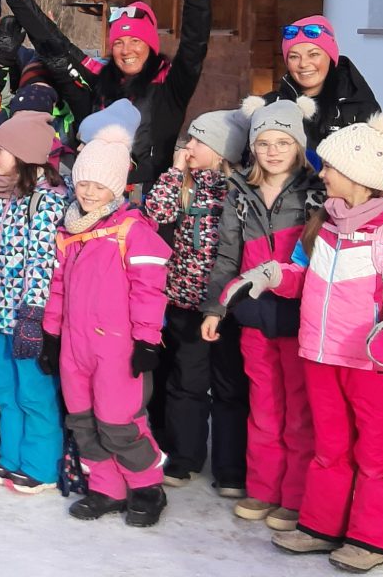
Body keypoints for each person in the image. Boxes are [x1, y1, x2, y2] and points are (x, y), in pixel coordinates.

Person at [230, 113, 383, 573]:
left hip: (370, 363)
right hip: (318, 354)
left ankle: (372, 538)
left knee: (376, 450)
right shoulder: (322, 224)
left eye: (331, 167)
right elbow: (298, 276)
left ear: (358, 175)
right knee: (329, 444)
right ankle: (321, 525)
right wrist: (271, 274)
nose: (322, 172)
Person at [47, 101, 172, 526]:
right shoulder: (71, 230)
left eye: (99, 186)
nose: (88, 192)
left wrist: (147, 340)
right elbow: (58, 286)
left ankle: (146, 485)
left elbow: (149, 291)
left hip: (117, 347)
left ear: (116, 188)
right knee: (82, 421)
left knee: (118, 422)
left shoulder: (131, 231)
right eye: (83, 183)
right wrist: (50, 334)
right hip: (74, 345)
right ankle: (106, 487)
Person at [0, 0, 216, 193]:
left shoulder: (170, 87)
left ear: (151, 45)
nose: (126, 49)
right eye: (118, 42)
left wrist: (197, 0)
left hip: (151, 199)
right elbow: (56, 46)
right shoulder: (98, 81)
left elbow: (193, 51)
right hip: (93, 195)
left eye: (135, 41)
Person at [203, 96, 319, 533]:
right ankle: (264, 488)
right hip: (253, 318)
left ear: (298, 146)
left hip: (297, 319)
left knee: (298, 412)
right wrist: (217, 307)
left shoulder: (314, 194)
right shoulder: (240, 195)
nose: (272, 151)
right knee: (265, 408)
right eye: (264, 142)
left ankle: (293, 496)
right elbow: (227, 255)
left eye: (283, 142)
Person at [141, 107, 250, 498]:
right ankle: (183, 458)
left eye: (198, 141)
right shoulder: (186, 185)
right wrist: (174, 170)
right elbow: (155, 212)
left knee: (229, 388)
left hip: (226, 307)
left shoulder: (240, 189)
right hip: (185, 304)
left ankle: (231, 470)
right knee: (186, 383)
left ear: (222, 150)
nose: (189, 146)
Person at [0, 107, 69, 493]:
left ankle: (42, 466)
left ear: (24, 154)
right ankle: (12, 457)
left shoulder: (46, 203)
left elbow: (43, 264)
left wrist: (33, 315)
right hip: (0, 318)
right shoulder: (4, 198)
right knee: (4, 390)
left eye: (1, 150)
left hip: (28, 320)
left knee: (34, 394)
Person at [266, 16, 382, 164]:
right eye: (294, 57)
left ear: (330, 56)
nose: (303, 64)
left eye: (313, 54)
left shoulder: (359, 105)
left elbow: (374, 166)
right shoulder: (272, 106)